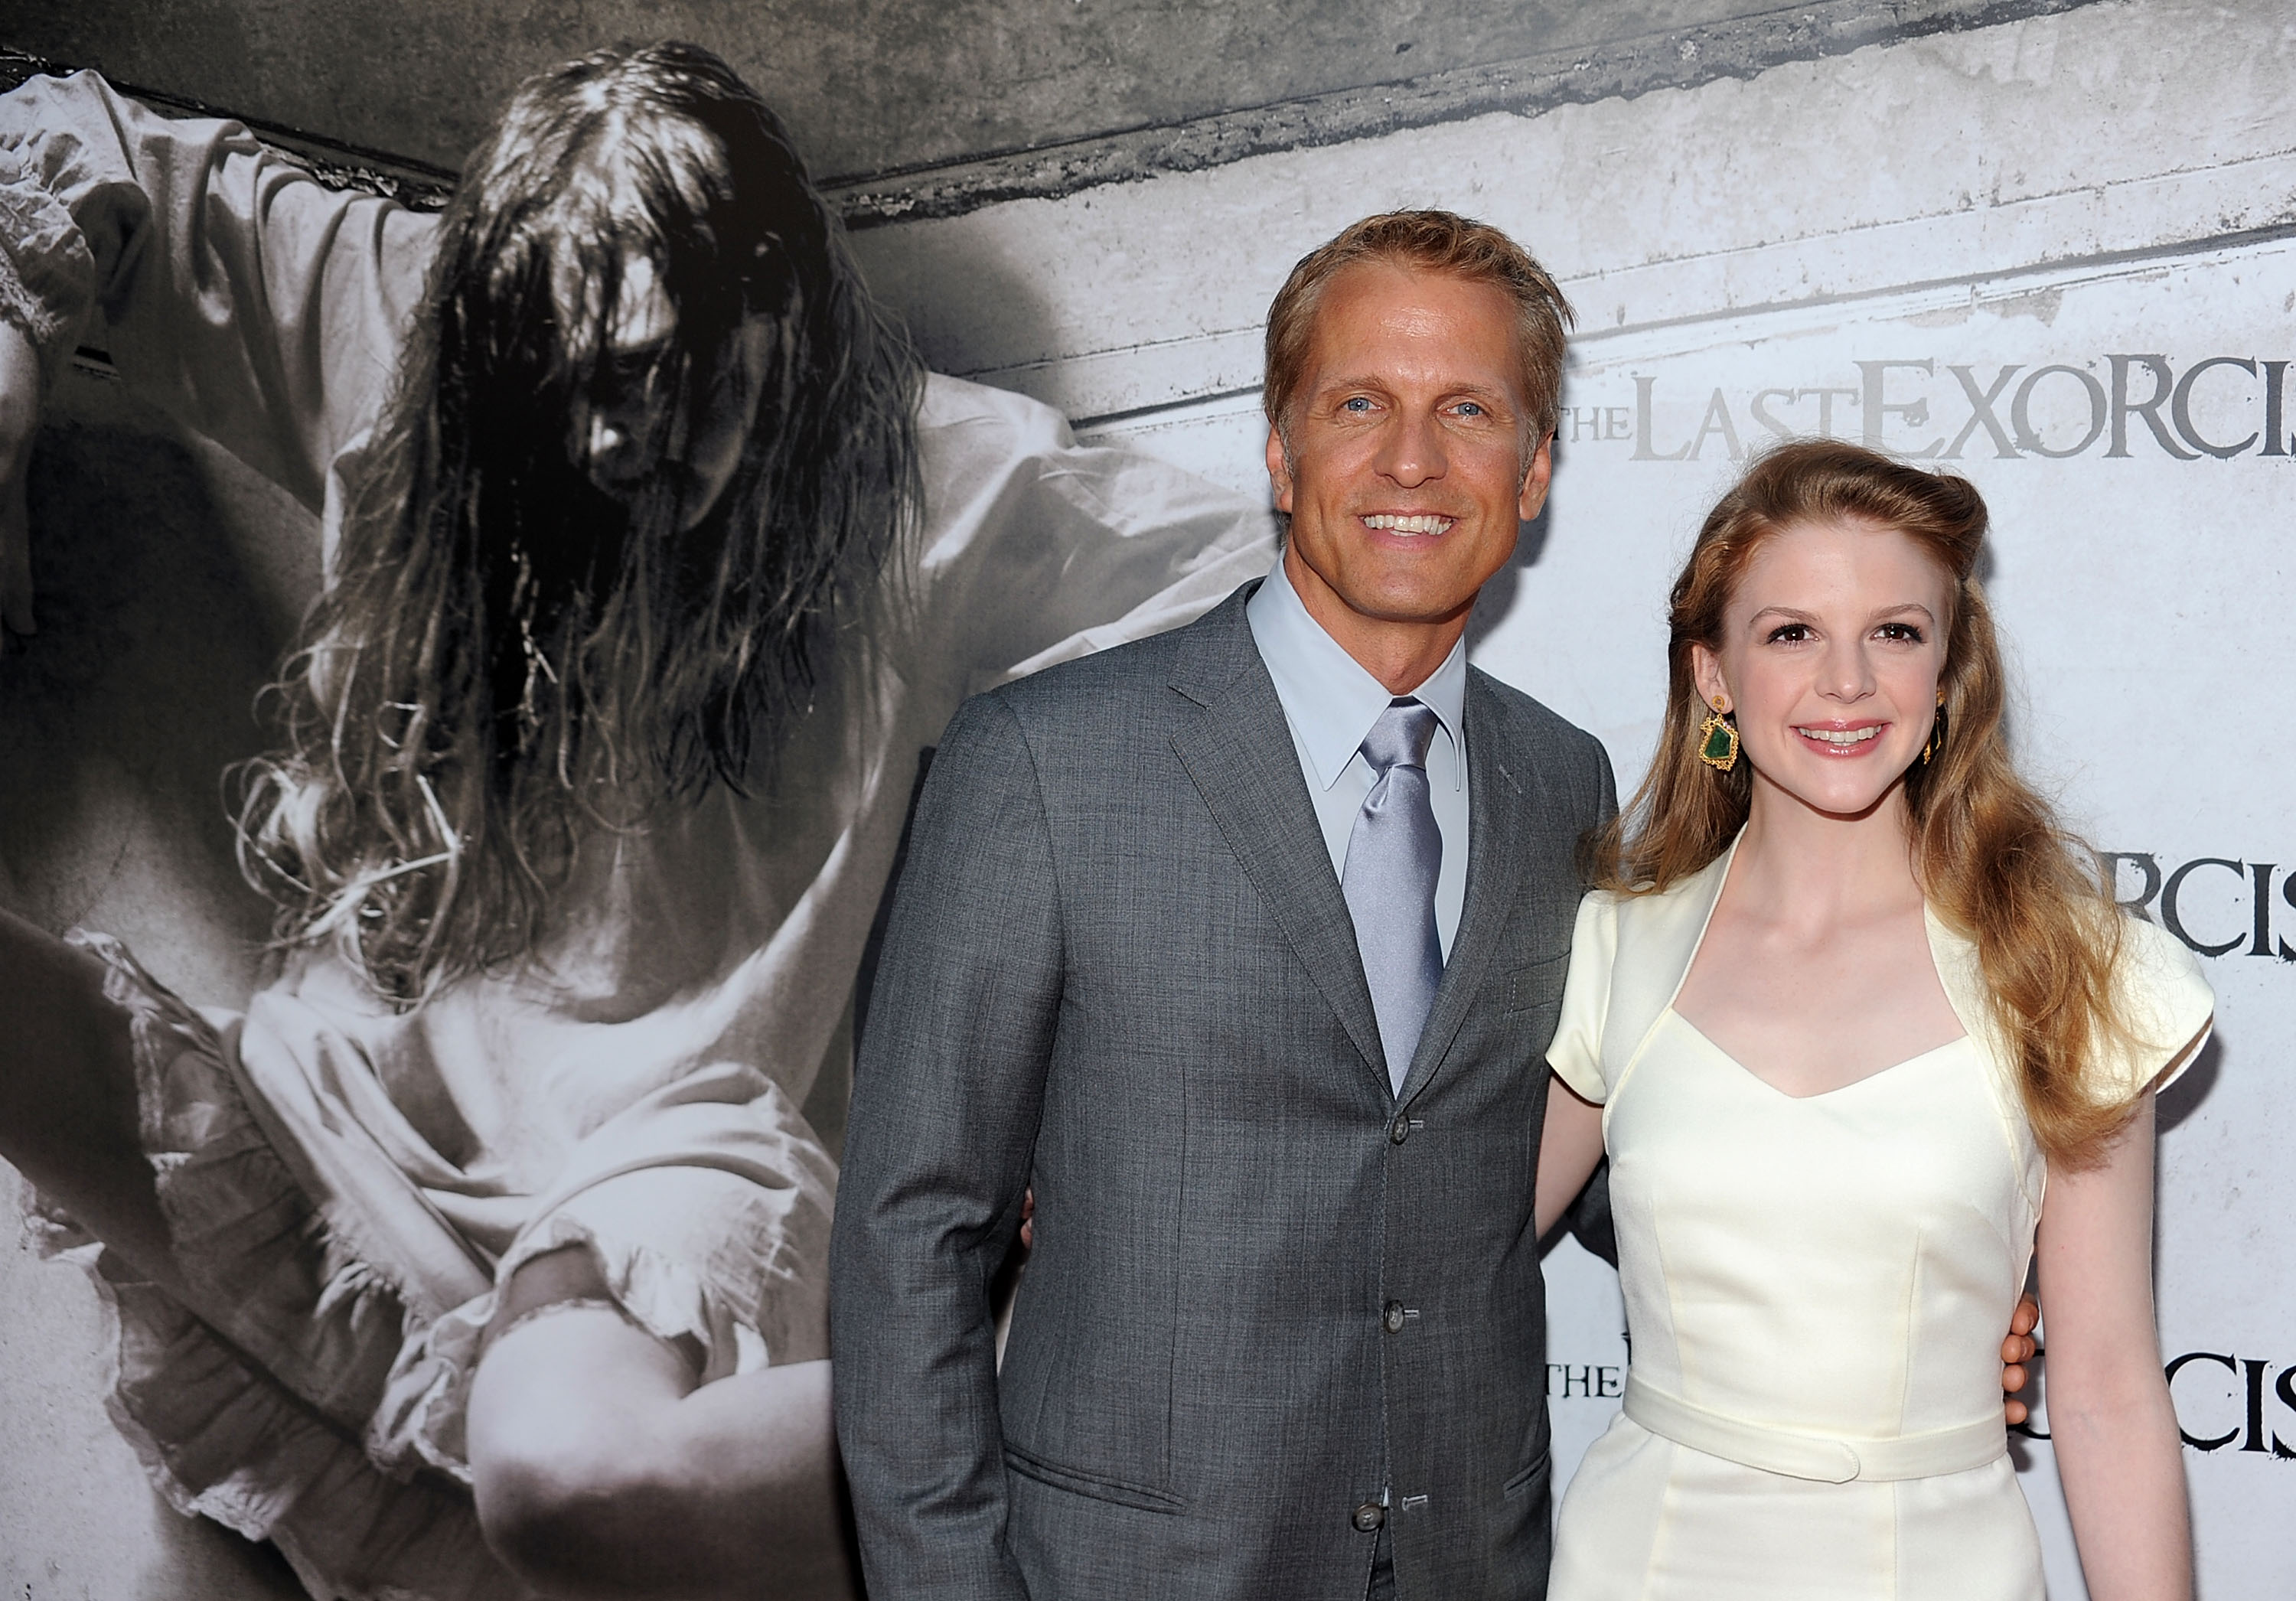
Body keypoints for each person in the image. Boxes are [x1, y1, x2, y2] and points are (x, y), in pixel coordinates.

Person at [0, 43, 1270, 1601]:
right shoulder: (399, 330)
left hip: (661, 1169)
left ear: (778, 323)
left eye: (665, 374)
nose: (610, 441)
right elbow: (73, 138)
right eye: (563, 387)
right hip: (332, 1130)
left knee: (567, 1480)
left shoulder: (929, 488)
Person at [831, 210, 1613, 1599]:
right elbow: (912, 1234)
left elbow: (1602, 1146)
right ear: (1279, 447)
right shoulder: (1044, 762)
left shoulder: (1563, 780)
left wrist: (1924, 1276)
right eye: (1359, 403)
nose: (1413, 459)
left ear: (1535, 466)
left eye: (1470, 410)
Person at [1531, 439, 2210, 1601]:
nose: (1846, 681)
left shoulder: (2065, 970)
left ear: (1946, 669)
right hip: (1638, 1560)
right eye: (1792, 632)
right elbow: (1450, 1261)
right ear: (1713, 675)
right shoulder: (1617, 949)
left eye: (1894, 631)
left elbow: (2104, 1392)